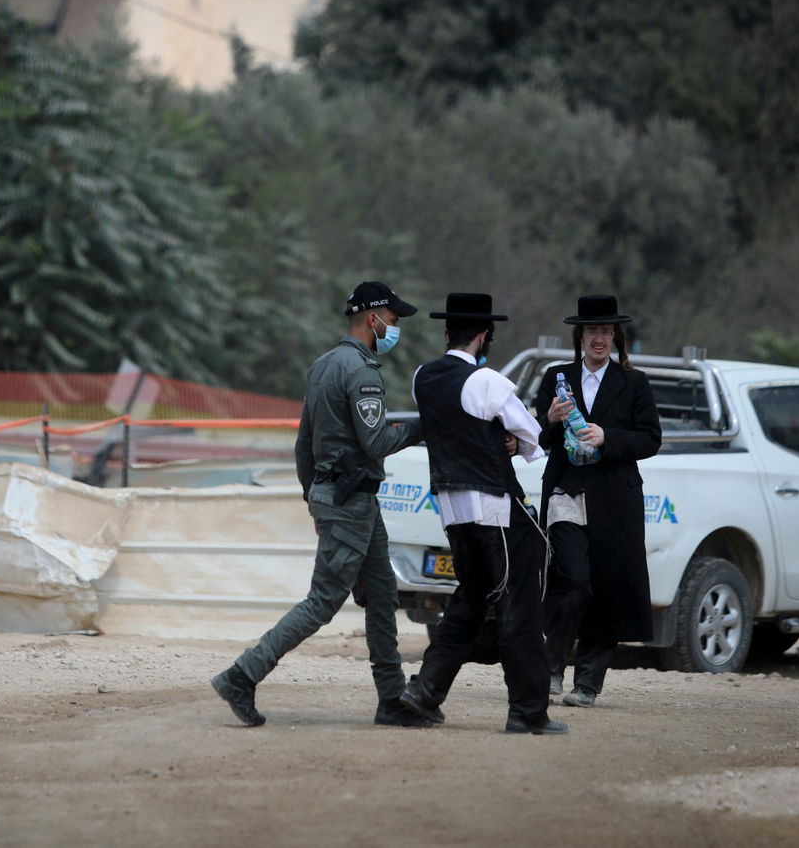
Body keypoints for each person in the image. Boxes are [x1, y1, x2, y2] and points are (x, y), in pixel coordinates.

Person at [211, 281, 426, 728]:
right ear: (374, 319)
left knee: (383, 593)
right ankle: (242, 675)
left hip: (344, 499)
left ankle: (391, 699)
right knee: (322, 602)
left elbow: (303, 445)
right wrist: (425, 427)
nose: (395, 327)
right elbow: (378, 440)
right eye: (393, 319)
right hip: (351, 502)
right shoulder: (363, 372)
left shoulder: (323, 365)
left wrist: (315, 498)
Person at [399, 293, 566, 735]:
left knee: (470, 601)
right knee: (519, 608)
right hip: (493, 505)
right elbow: (529, 437)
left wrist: (503, 438)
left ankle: (425, 692)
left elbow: (456, 427)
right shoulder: (488, 381)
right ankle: (527, 711)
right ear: (485, 335)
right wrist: (520, 436)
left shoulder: (423, 377)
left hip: (451, 508)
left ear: (445, 332)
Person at [535, 295, 661, 709]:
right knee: (573, 580)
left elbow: (650, 439)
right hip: (566, 492)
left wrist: (609, 438)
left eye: (606, 332)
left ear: (616, 337)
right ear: (580, 336)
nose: (599, 339)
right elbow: (538, 437)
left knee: (607, 587)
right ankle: (551, 668)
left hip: (614, 499)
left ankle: (588, 682)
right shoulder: (556, 376)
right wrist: (551, 420)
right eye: (592, 331)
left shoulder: (634, 382)